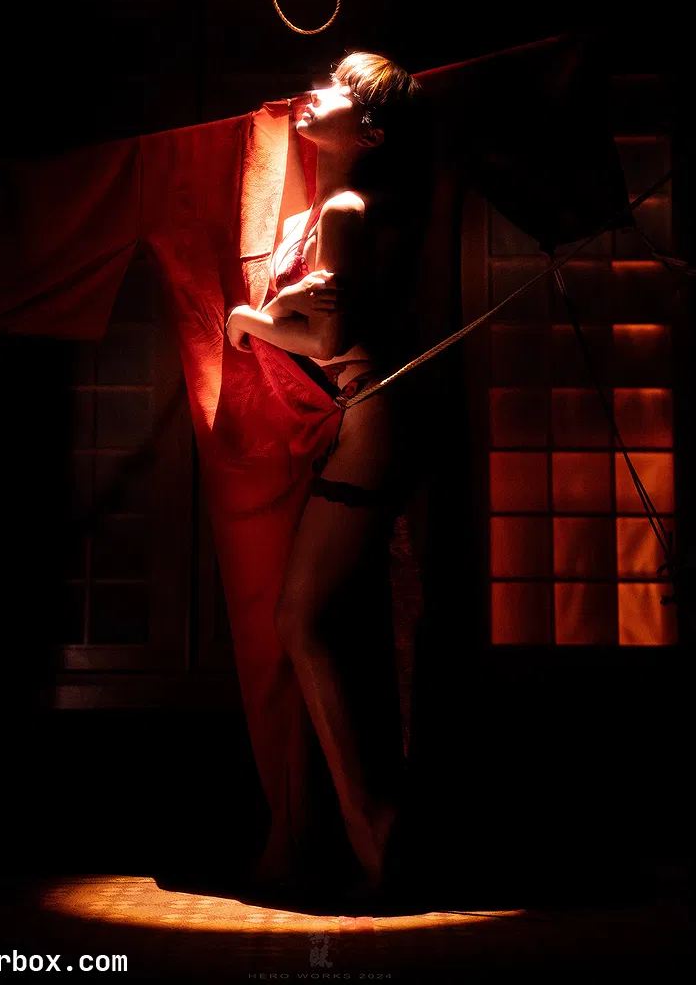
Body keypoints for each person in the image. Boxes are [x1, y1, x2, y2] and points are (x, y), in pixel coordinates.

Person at [224, 52, 430, 899]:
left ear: (369, 132)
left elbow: (328, 341)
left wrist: (247, 321)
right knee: (318, 618)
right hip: (368, 417)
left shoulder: (345, 207)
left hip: (372, 416)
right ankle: (360, 824)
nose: (315, 91)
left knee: (300, 617)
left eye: (339, 88)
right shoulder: (340, 209)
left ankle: (367, 824)